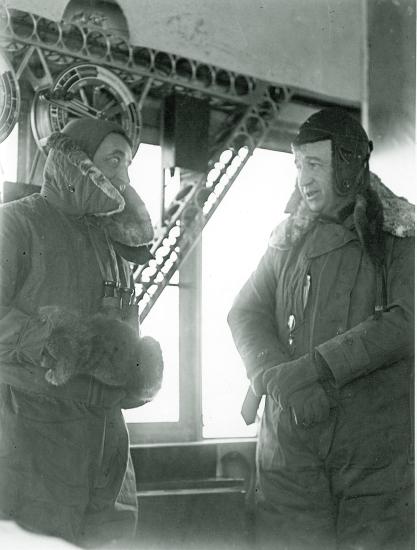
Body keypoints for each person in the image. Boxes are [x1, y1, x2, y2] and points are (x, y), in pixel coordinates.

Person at [228, 108, 414, 550]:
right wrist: (274, 374)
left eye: (314, 165)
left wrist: (314, 369)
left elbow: (405, 319)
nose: (302, 179)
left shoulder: (399, 237)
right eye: (297, 165)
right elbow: (244, 311)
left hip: (372, 467)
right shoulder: (286, 241)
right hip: (289, 462)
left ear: (348, 165)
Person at [0, 118, 164, 548]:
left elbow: (123, 330)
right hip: (32, 435)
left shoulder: (114, 247)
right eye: (114, 160)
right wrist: (53, 340)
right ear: (78, 163)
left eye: (128, 163)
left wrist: (133, 370)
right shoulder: (15, 223)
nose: (124, 177)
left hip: (108, 441)